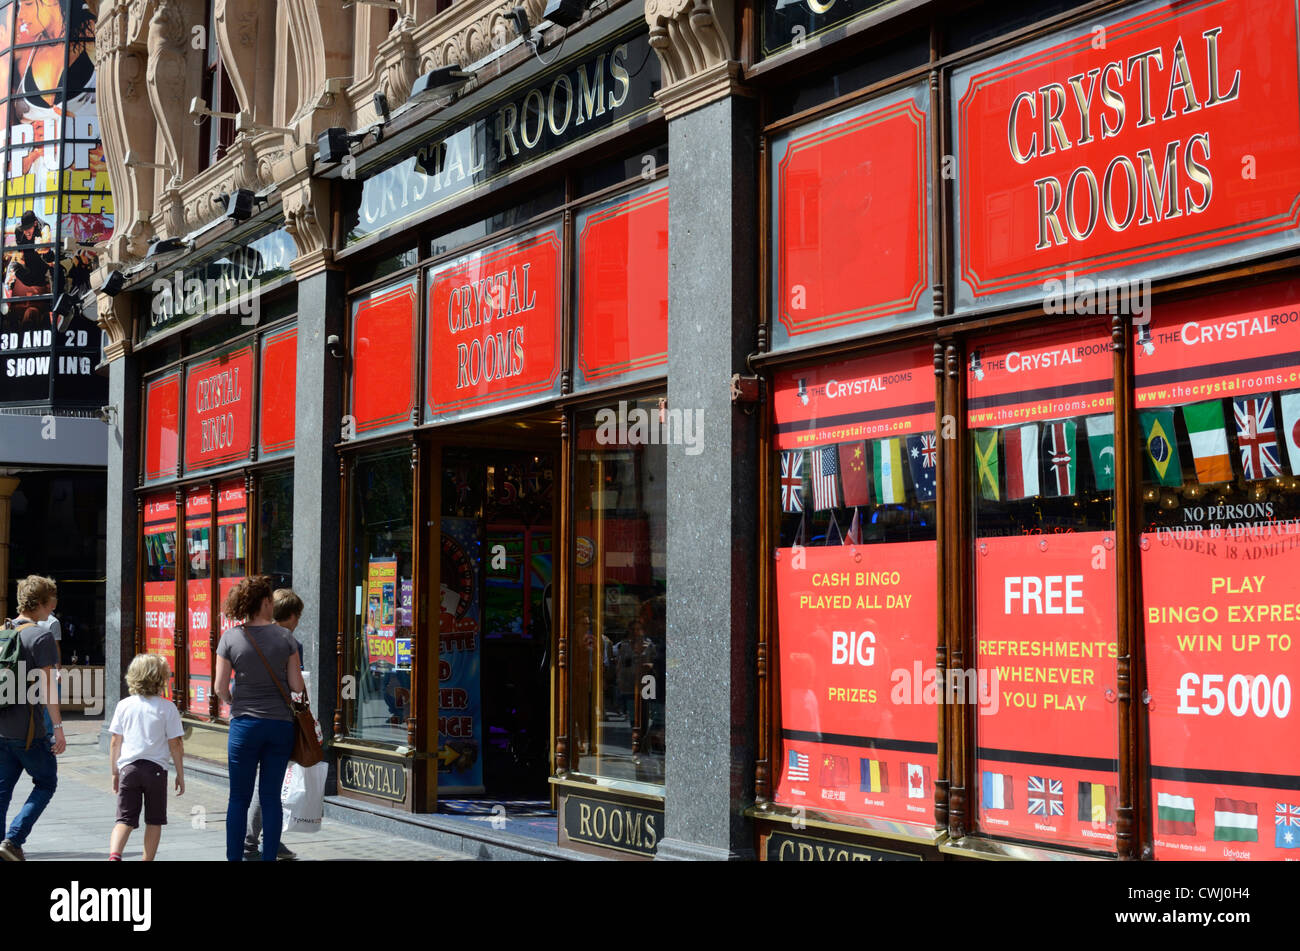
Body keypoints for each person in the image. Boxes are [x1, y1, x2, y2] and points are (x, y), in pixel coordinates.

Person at [215, 576, 305, 863]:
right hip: (279, 726)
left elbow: (219, 688)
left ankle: (234, 858)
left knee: (238, 798)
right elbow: (296, 686)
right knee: (270, 798)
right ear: (265, 602)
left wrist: (235, 702)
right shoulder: (286, 638)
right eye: (270, 601)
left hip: (244, 726)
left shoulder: (230, 637)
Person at [0, 575, 64, 862]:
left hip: (2, 730)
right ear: (39, 604)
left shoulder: (3, 630)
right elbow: (48, 688)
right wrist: (59, 729)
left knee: (1, 792)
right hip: (29, 731)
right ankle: (14, 839)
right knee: (46, 781)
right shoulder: (41, 636)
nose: (53, 608)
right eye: (51, 602)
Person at [244, 588, 305, 861]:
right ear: (291, 616)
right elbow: (297, 687)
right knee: (270, 784)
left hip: (249, 720)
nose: (298, 621)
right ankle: (253, 841)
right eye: (298, 616)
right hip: (278, 721)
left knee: (266, 784)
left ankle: (268, 839)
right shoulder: (290, 643)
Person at [107, 654, 185, 861]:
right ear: (161, 678)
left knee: (124, 819)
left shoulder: (124, 705)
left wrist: (115, 771)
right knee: (154, 820)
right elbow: (175, 744)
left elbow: (115, 741)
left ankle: (115, 856)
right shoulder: (167, 708)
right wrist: (180, 773)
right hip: (156, 771)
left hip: (129, 769)